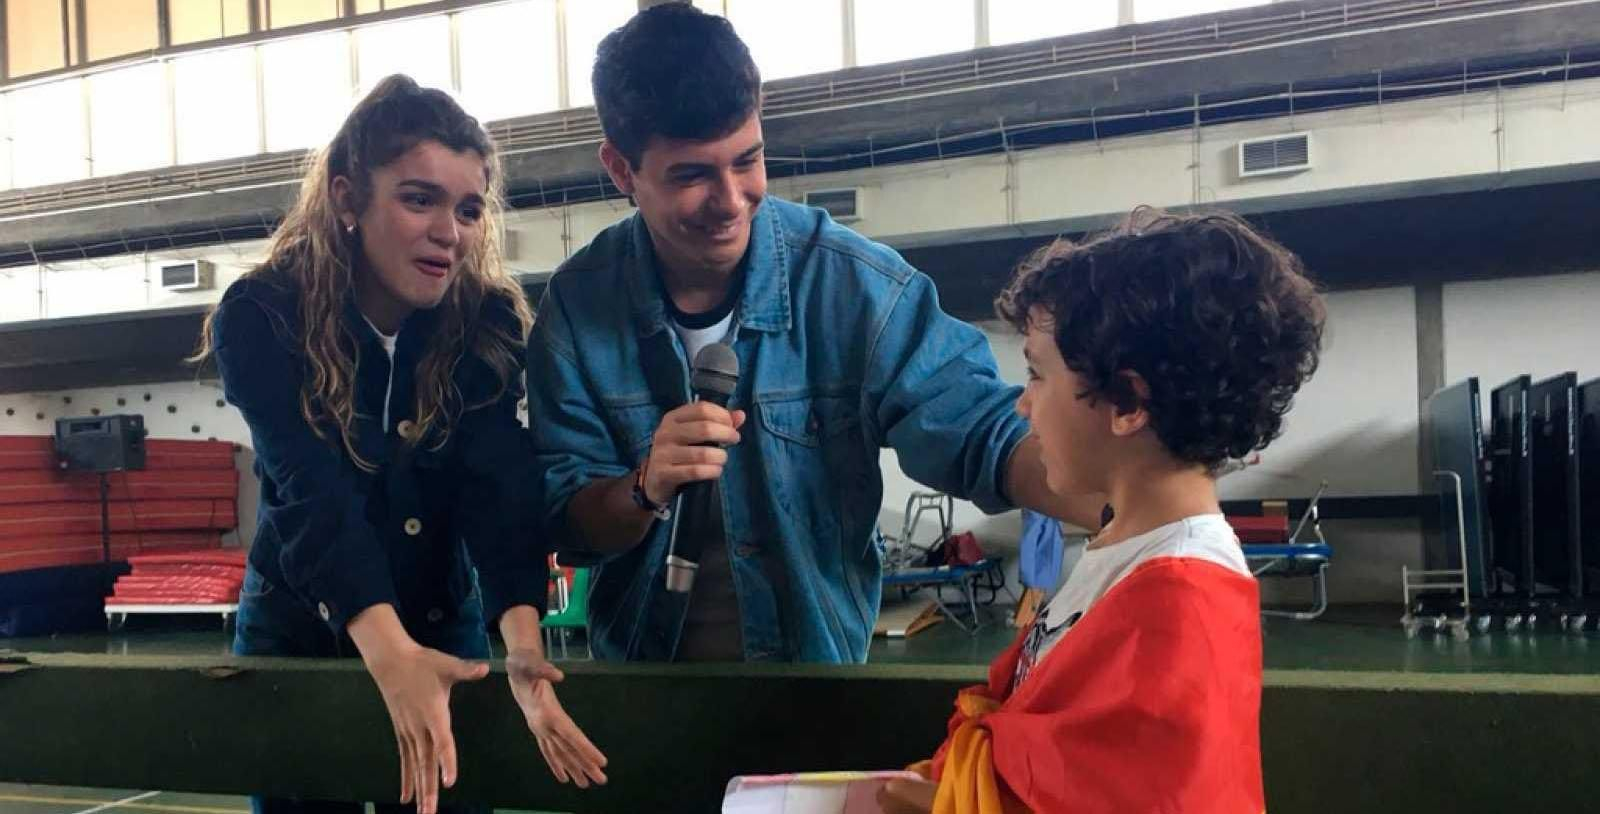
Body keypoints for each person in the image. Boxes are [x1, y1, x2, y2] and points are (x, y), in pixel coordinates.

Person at [526, 3, 1101, 664]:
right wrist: (643, 487)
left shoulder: (857, 290)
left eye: (748, 160)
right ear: (622, 170)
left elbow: (983, 436)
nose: (732, 198)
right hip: (644, 695)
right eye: (692, 175)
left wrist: (1133, 507)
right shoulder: (576, 310)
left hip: (818, 693)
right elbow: (565, 518)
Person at [195, 75, 606, 814]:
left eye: (469, 207)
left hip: (440, 614)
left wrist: (521, 645)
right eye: (420, 199)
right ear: (349, 200)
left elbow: (497, 486)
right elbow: (308, 489)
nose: (451, 231)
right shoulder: (262, 314)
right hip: (301, 626)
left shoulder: (483, 322)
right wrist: (390, 656)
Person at [878, 209, 1325, 813]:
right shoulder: (1131, 552)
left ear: (1126, 402)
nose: (1022, 406)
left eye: (1037, 375)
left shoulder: (1182, 597)